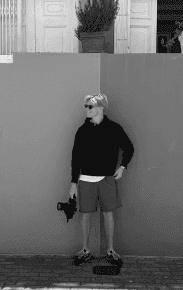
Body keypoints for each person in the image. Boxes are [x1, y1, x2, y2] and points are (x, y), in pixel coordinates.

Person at [69, 93, 134, 266]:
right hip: (85, 179)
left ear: (101, 108)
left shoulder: (114, 128)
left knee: (108, 214)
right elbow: (75, 158)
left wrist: (122, 167)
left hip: (106, 179)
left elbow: (129, 148)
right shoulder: (82, 131)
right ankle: (85, 250)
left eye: (90, 106)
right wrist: (73, 183)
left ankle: (110, 250)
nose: (87, 109)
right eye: (85, 106)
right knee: (85, 216)